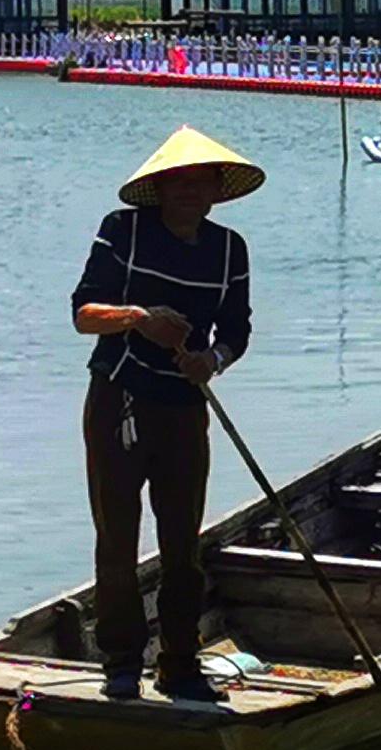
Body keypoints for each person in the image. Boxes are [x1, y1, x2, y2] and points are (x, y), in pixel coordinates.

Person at [69, 126, 261, 702]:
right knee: (117, 537)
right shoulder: (121, 231)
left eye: (199, 183)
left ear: (214, 191)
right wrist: (136, 317)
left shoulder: (229, 249)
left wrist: (212, 360)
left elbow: (236, 332)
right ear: (160, 188)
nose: (188, 193)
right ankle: (121, 663)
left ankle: (180, 664)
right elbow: (83, 314)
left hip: (182, 407)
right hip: (117, 400)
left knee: (183, 543)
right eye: (178, 183)